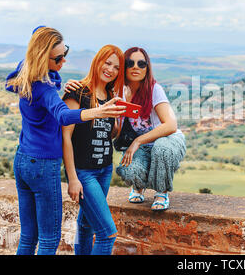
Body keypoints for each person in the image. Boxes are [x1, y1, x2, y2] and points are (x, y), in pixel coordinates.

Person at [5, 26, 126, 255]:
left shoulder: (26, 74)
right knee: (49, 240)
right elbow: (62, 116)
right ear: (42, 57)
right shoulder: (46, 88)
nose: (64, 61)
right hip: (42, 164)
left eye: (65, 53)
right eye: (59, 58)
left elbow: (37, 31)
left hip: (22, 160)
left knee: (29, 237)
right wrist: (95, 112)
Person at [64, 47, 186, 211]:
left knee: (161, 149)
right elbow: (113, 133)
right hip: (142, 147)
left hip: (166, 140)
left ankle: (161, 192)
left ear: (147, 68)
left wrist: (137, 141)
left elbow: (171, 125)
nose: (136, 67)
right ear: (124, 68)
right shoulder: (117, 90)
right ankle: (138, 186)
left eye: (141, 63)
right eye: (130, 63)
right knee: (128, 170)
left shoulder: (154, 89)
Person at [62, 44, 125, 255]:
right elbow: (66, 137)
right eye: (107, 63)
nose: (111, 69)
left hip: (104, 169)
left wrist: (117, 119)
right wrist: (72, 178)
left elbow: (109, 133)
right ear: (97, 61)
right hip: (84, 173)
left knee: (86, 225)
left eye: (116, 67)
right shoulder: (77, 92)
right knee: (107, 234)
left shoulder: (109, 95)